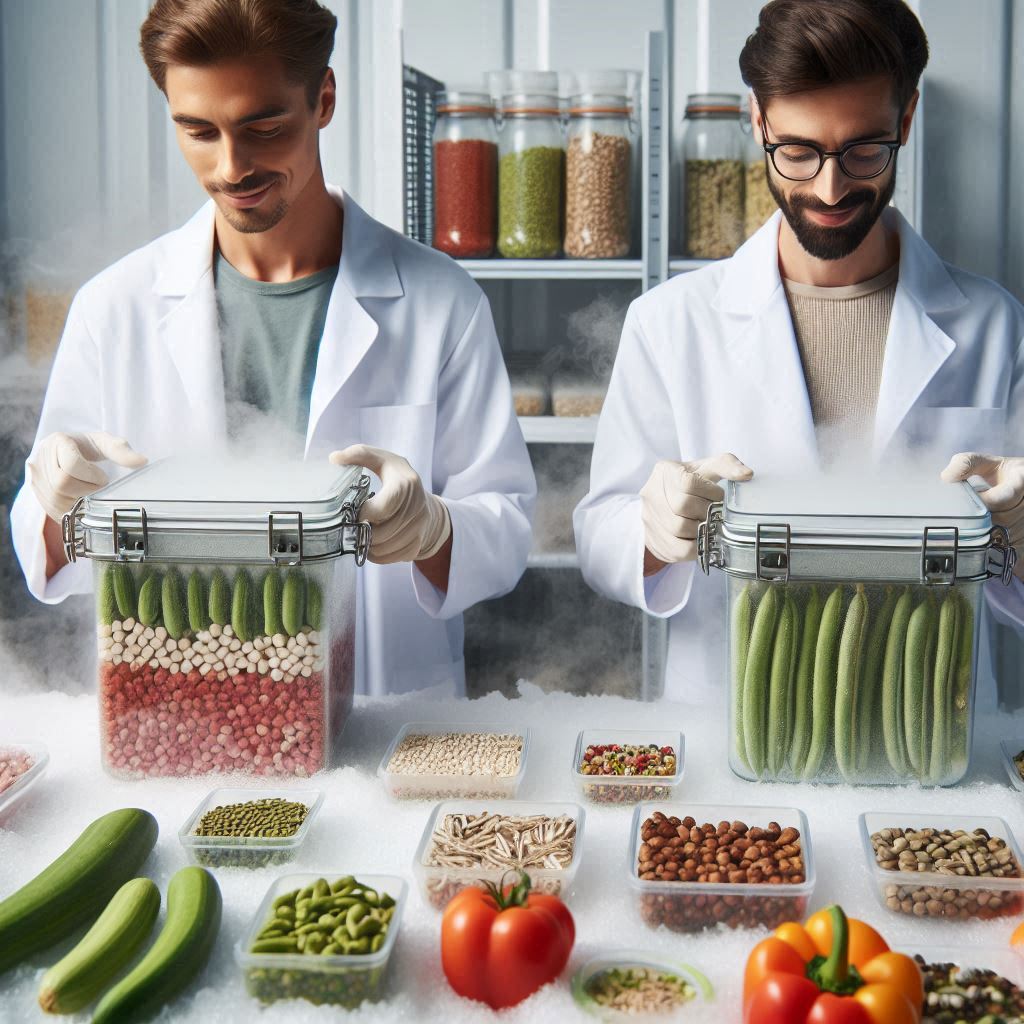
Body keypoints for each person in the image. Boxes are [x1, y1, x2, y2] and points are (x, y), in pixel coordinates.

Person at [10, 0, 536, 696]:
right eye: (198, 131)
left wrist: (435, 529)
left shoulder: (441, 301)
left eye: (264, 127)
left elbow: (504, 527)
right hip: (182, 713)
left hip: (384, 711)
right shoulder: (115, 308)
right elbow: (50, 556)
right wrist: (53, 499)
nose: (232, 166)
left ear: (323, 100)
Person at [575, 0, 1023, 702]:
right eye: (798, 150)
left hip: (932, 732)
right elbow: (601, 542)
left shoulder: (996, 325)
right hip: (733, 737)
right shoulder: (671, 323)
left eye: (864, 150)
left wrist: (1022, 542)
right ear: (757, 121)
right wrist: (652, 528)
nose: (830, 187)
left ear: (904, 122)